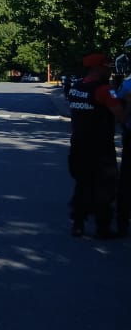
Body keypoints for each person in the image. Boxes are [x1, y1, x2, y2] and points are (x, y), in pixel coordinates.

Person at [67, 53, 122, 239]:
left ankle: (78, 223)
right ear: (97, 68)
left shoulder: (76, 87)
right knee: (105, 187)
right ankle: (102, 227)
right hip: (100, 147)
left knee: (82, 184)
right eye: (107, 68)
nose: (109, 71)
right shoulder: (104, 90)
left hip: (78, 143)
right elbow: (121, 116)